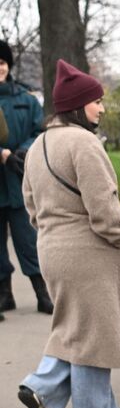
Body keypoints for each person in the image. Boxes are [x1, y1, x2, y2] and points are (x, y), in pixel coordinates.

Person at [16, 60, 120, 408]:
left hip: (51, 247)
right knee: (93, 329)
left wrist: (52, 229)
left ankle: (49, 393)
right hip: (88, 252)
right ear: (77, 104)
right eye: (95, 101)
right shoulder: (84, 143)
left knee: (77, 326)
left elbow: (30, 203)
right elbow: (103, 209)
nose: (101, 107)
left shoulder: (39, 144)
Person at [0, 39, 50, 316]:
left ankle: (43, 294)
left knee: (27, 239)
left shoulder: (26, 100)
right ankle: (4, 295)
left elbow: (39, 131)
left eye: (2, 63)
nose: (0, 68)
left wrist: (22, 150)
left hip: (19, 181)